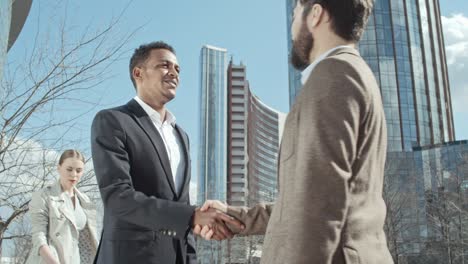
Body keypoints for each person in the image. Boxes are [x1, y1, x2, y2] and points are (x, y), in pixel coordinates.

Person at [196, 0, 394, 263]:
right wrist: (236, 217)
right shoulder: (350, 74)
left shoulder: (333, 75)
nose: (292, 27)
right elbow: (307, 199)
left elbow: (318, 206)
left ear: (315, 14)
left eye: (294, 14)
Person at [90, 41, 243, 264]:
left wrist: (190, 256)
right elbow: (117, 197)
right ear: (138, 73)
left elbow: (182, 203)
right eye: (165, 65)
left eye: (178, 69)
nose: (174, 73)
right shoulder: (112, 121)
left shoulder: (181, 135)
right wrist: (191, 216)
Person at [27, 149, 98, 264]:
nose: (74, 174)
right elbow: (39, 237)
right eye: (69, 169)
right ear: (59, 168)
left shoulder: (85, 201)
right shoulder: (43, 196)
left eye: (78, 170)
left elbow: (87, 243)